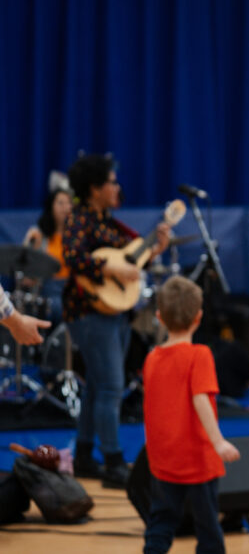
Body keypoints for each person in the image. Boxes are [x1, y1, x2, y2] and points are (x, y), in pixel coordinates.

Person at [64, 153, 170, 487]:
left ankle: (83, 456)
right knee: (111, 385)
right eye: (111, 181)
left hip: (114, 313)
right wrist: (109, 268)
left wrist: (154, 250)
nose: (117, 187)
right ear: (95, 188)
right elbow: (74, 256)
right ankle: (112, 462)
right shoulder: (80, 218)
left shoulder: (108, 222)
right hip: (88, 312)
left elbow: (132, 262)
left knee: (97, 385)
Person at [142, 277, 240, 554]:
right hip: (198, 460)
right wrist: (218, 441)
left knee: (160, 525)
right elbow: (200, 399)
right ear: (199, 317)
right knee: (209, 529)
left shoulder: (152, 358)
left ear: (159, 318)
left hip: (163, 459)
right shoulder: (200, 355)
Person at [23, 187, 73, 324]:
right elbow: (25, 269)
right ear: (51, 206)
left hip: (72, 287)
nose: (65, 207)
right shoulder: (40, 235)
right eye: (60, 203)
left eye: (68, 203)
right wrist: (32, 244)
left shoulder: (76, 235)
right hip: (48, 289)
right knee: (58, 307)